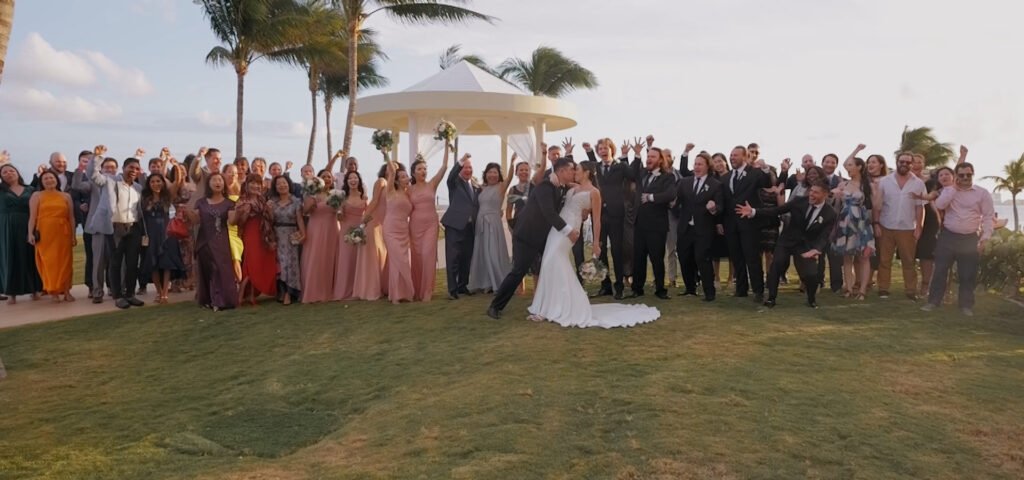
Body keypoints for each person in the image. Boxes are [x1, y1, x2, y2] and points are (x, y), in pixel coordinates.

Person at [528, 161, 660, 327]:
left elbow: (596, 220)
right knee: (549, 261)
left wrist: (596, 243)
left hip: (571, 229)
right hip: (558, 227)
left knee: (554, 260)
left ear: (587, 173)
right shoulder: (572, 186)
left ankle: (561, 305)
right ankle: (547, 305)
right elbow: (554, 179)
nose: (574, 172)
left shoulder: (594, 192)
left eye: (578, 170)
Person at [488, 157, 580, 319]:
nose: (573, 172)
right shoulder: (545, 186)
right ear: (562, 171)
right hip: (526, 236)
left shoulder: (560, 187)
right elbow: (549, 213)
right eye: (571, 169)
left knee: (551, 265)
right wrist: (568, 231)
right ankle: (495, 306)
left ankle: (551, 303)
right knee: (518, 272)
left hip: (542, 237)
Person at [736, 181, 837, 308]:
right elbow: (777, 210)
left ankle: (811, 300)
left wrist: (816, 249)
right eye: (811, 191)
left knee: (811, 274)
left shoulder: (830, 213)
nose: (811, 194)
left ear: (825, 194)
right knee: (776, 265)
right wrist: (754, 212)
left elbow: (825, 235)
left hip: (806, 247)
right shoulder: (799, 201)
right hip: (787, 241)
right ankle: (771, 298)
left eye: (816, 192)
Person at [921, 160, 994, 317]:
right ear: (956, 176)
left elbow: (988, 217)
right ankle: (933, 302)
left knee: (967, 274)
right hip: (948, 236)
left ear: (973, 174)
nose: (965, 177)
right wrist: (953, 189)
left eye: (968, 174)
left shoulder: (982, 193)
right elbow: (940, 205)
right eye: (961, 175)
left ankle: (966, 306)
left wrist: (985, 238)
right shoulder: (949, 191)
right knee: (940, 270)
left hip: (969, 238)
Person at [873, 151, 927, 300]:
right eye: (901, 162)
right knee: (884, 260)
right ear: (897, 162)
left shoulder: (918, 183)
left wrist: (919, 227)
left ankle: (910, 291)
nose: (904, 164)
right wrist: (876, 223)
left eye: (907, 162)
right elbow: (878, 205)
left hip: (907, 227)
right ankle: (883, 289)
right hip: (886, 225)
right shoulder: (885, 181)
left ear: (912, 164)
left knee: (909, 261)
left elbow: (919, 207)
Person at [723, 145, 770, 302]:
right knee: (737, 258)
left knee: (752, 258)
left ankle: (758, 291)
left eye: (735, 155)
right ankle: (741, 289)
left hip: (749, 224)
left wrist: (765, 169)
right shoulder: (726, 177)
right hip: (731, 224)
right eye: (730, 155)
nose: (732, 158)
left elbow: (767, 183)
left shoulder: (755, 173)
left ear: (744, 157)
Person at [629, 147, 677, 299]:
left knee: (657, 258)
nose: (648, 159)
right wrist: (636, 154)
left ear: (660, 160)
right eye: (647, 156)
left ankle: (660, 289)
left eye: (652, 157)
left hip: (657, 225)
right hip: (639, 223)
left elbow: (670, 194)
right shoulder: (642, 173)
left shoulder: (668, 177)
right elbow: (631, 171)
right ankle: (637, 288)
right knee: (638, 257)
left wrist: (651, 197)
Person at [675, 153, 724, 301]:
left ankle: (709, 292)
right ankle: (690, 288)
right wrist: (677, 212)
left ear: (707, 166)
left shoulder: (716, 185)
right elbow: (677, 203)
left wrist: (713, 208)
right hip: (685, 228)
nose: (696, 167)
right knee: (684, 258)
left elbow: (720, 206)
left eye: (700, 164)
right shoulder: (684, 182)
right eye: (695, 164)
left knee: (702, 258)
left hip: (703, 229)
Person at [186, 173, 238, 311]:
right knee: (208, 270)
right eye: (214, 180)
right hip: (204, 241)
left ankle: (222, 301)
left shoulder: (229, 203)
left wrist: (239, 210)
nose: (217, 182)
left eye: (220, 180)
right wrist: (187, 212)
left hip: (221, 242)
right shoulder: (201, 202)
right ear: (208, 184)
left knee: (220, 270)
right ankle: (208, 300)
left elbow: (232, 221)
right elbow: (196, 220)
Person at [588, 138, 632, 299]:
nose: (603, 151)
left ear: (612, 149)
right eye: (600, 149)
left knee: (617, 251)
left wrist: (627, 156)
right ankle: (605, 286)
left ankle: (619, 287)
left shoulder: (620, 166)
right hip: (598, 214)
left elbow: (633, 175)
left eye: (605, 148)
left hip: (616, 214)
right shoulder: (595, 168)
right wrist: (587, 151)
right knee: (600, 251)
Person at [831, 145, 875, 300]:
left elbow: (874, 205)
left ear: (859, 167)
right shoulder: (843, 184)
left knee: (864, 256)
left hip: (861, 222)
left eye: (851, 165)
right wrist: (836, 195)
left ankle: (862, 290)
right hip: (845, 221)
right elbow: (836, 201)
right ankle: (848, 288)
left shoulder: (866, 185)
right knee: (846, 257)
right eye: (848, 166)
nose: (848, 167)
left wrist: (857, 151)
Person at [102, 157, 146, 309]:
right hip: (115, 227)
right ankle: (118, 296)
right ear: (123, 168)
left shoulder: (138, 188)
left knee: (133, 263)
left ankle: (130, 294)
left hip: (133, 227)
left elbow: (139, 210)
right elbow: (94, 177)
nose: (133, 171)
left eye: (136, 168)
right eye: (131, 167)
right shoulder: (112, 182)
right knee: (115, 263)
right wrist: (97, 157)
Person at [408, 144, 450, 302]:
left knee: (428, 256)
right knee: (417, 257)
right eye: (419, 169)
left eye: (425, 168)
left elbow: (444, 167)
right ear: (413, 172)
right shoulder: (409, 190)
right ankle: (417, 290)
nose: (423, 171)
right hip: (415, 227)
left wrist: (446, 144)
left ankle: (427, 291)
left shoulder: (432, 184)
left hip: (431, 225)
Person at [27, 170, 75, 302]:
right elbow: (32, 217)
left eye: (51, 178)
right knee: (49, 262)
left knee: (65, 262)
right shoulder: (37, 195)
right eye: (45, 179)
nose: (49, 180)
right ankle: (53, 291)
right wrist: (30, 233)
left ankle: (66, 291)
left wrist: (73, 236)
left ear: (56, 180)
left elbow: (71, 217)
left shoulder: (66, 196)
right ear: (41, 182)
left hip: (63, 232)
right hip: (45, 232)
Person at [139, 172, 186, 304]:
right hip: (151, 235)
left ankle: (165, 293)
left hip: (167, 234)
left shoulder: (167, 197)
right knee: (153, 265)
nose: (156, 184)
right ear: (149, 184)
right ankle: (158, 292)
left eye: (158, 181)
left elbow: (177, 180)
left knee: (167, 264)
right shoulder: (145, 198)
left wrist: (172, 163)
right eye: (152, 181)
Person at [468, 161, 514, 293]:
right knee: (481, 252)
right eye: (490, 172)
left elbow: (510, 177)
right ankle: (485, 283)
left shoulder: (501, 187)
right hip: (480, 223)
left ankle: (498, 282)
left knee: (492, 252)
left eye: (495, 172)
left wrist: (511, 163)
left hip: (493, 222)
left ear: (498, 174)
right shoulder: (481, 188)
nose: (492, 175)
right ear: (486, 174)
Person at [233, 174, 279, 305]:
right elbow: (238, 221)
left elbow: (270, 218)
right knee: (250, 263)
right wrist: (245, 212)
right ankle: (241, 295)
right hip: (250, 233)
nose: (255, 186)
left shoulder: (262, 199)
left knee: (258, 264)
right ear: (247, 185)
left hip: (263, 233)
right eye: (252, 183)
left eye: (258, 183)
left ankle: (252, 295)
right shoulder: (242, 200)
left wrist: (269, 210)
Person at [0, 164, 42, 304]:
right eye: (4, 172)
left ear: (18, 173)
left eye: (12, 170)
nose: (9, 173)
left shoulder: (30, 189)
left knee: (30, 257)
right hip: (7, 227)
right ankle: (12, 293)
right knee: (11, 258)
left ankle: (35, 290)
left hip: (28, 225)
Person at [440, 154, 479, 299]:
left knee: (466, 258)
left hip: (470, 228)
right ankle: (452, 290)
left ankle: (463, 286)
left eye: (470, 167)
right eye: (465, 167)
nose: (468, 170)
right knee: (453, 258)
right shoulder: (454, 182)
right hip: (455, 226)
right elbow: (451, 175)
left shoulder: (475, 186)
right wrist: (460, 162)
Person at [300, 169, 341, 303]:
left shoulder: (336, 194)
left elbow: (341, 213)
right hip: (316, 229)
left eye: (329, 176)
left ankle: (329, 290)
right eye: (324, 177)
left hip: (332, 229)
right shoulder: (313, 194)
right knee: (316, 258)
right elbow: (305, 211)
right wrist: (310, 205)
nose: (327, 179)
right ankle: (313, 291)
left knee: (330, 258)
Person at [268, 175, 305, 305]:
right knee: (280, 264)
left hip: (291, 235)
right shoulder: (273, 202)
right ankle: (282, 291)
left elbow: (299, 219)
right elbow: (271, 221)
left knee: (291, 264)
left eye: (284, 183)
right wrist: (269, 210)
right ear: (275, 187)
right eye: (279, 184)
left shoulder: (296, 201)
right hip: (278, 235)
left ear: (289, 184)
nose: (282, 186)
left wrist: (303, 234)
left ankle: (290, 293)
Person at [382, 161, 415, 304]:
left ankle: (405, 293)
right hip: (390, 229)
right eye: (402, 176)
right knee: (397, 261)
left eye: (406, 176)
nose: (406, 178)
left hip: (404, 230)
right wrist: (385, 152)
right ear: (396, 180)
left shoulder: (409, 194)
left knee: (403, 261)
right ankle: (395, 295)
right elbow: (392, 171)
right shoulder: (390, 192)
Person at [334, 171, 367, 301]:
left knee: (359, 260)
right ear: (346, 181)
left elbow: (368, 215)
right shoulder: (342, 197)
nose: (353, 180)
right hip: (346, 231)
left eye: (355, 178)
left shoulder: (364, 197)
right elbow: (339, 217)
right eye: (350, 178)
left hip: (360, 230)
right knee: (346, 260)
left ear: (359, 180)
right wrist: (338, 211)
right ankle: (344, 290)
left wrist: (363, 228)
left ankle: (359, 289)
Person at [709, 153, 731, 288]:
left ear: (725, 162)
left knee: (732, 251)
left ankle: (730, 279)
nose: (718, 164)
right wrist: (718, 222)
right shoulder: (713, 179)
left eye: (720, 161)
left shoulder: (733, 176)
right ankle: (716, 278)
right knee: (716, 250)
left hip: (732, 217)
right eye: (715, 162)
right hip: (717, 217)